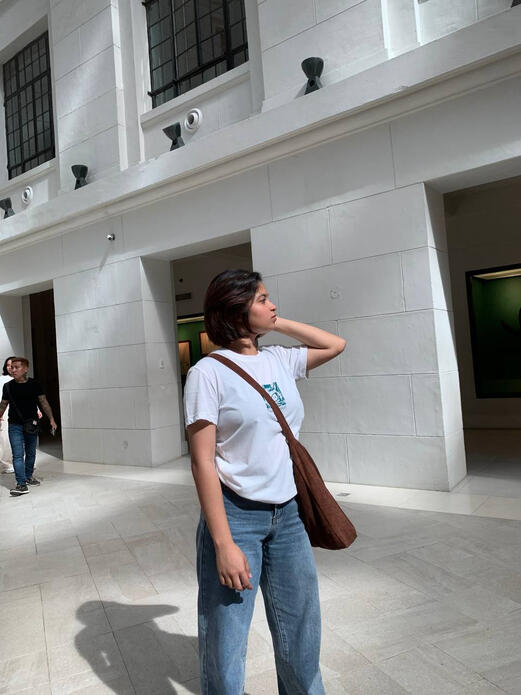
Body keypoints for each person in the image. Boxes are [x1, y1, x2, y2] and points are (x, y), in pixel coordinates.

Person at [184, 269, 346, 695]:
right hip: (237, 516)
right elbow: (202, 462)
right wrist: (223, 544)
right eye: (262, 299)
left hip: (289, 514)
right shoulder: (207, 373)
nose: (273, 305)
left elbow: (335, 344)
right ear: (235, 309)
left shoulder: (278, 359)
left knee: (301, 630)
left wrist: (273, 323)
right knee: (226, 638)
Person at [0, 357, 57, 497]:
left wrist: (51, 419)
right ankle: (21, 484)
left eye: (16, 367)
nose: (13, 370)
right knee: (17, 455)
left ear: (25, 369)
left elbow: (43, 402)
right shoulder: (8, 386)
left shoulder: (34, 384)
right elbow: (3, 404)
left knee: (30, 453)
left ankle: (29, 476)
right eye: (12, 367)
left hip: (31, 424)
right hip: (14, 425)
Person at [0, 356, 16, 473]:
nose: (10, 367)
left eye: (13, 365)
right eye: (8, 365)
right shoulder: (2, 379)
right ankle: (6, 465)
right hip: (5, 411)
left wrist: (37, 409)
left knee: (19, 438)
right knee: (5, 439)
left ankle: (19, 462)